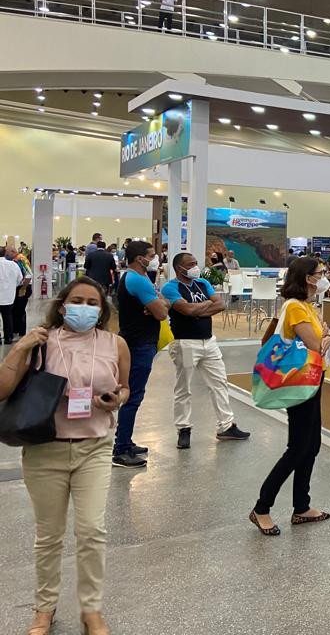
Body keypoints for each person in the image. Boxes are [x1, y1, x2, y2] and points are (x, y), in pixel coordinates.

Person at [0, 277, 130, 635]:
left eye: (93, 303)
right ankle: (44, 609)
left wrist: (116, 399)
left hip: (95, 447)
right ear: (62, 305)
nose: (84, 308)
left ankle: (91, 610)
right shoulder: (42, 341)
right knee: (49, 535)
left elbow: (125, 387)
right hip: (45, 450)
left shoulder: (115, 344)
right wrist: (19, 347)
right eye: (77, 301)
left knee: (92, 530)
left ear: (102, 311)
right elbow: (3, 389)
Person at [251, 257, 330, 535]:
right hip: (298, 381)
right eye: (320, 273)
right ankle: (262, 507)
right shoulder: (296, 307)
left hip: (312, 378)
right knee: (298, 447)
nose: (324, 277)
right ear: (308, 279)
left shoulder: (307, 305)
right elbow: (316, 345)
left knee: (311, 445)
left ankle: (302, 506)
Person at [161, 252, 250, 450]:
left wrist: (197, 309)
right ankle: (183, 428)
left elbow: (221, 304)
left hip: (209, 342)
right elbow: (187, 310)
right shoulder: (170, 288)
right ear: (179, 268)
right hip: (185, 343)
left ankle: (226, 426)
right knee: (184, 387)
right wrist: (204, 306)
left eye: (195, 263)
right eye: (190, 264)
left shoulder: (202, 283)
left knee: (219, 383)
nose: (195, 267)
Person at [112, 240, 169, 468]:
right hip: (138, 343)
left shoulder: (139, 277)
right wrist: (159, 306)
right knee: (133, 395)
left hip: (140, 341)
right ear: (139, 258)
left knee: (135, 394)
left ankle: (125, 441)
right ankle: (121, 449)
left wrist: (159, 304)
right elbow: (162, 313)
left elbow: (162, 304)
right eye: (152, 255)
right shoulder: (137, 279)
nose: (155, 259)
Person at [0, 248, 28, 344]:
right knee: (8, 317)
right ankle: (8, 338)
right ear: (5, 253)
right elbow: (20, 279)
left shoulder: (17, 262)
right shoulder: (13, 265)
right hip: (9, 297)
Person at [9, 245, 33, 340]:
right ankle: (15, 330)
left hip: (23, 287)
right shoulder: (13, 260)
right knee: (14, 310)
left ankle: (21, 332)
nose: (6, 255)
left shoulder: (20, 259)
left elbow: (29, 275)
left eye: (7, 253)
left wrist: (23, 288)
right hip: (17, 287)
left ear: (13, 252)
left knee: (20, 310)